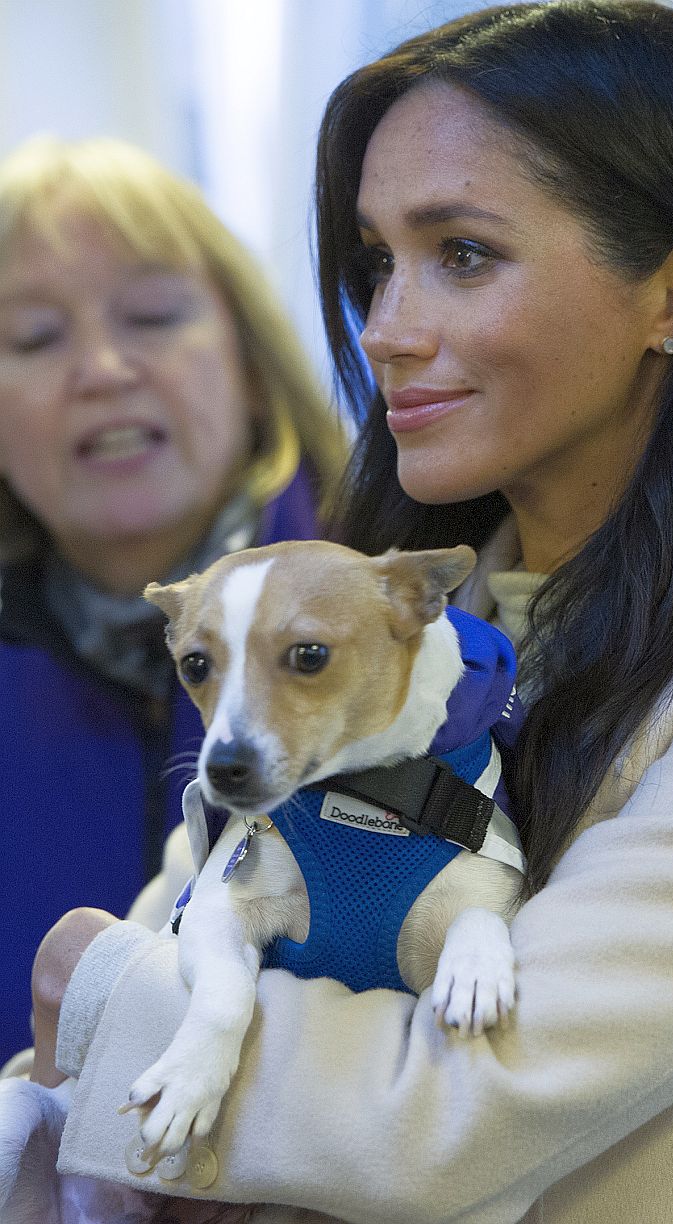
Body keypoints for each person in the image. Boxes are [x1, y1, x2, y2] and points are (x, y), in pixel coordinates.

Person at [18, 4, 673, 1222]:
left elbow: (460, 1112)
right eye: (374, 265)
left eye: (462, 254)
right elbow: (156, 968)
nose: (385, 330)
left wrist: (97, 996)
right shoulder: (380, 625)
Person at [0, 136, 349, 1067]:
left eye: (153, 316)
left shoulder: (407, 616)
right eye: (34, 337)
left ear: (249, 357)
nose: (103, 369)